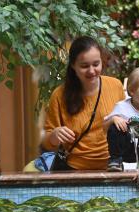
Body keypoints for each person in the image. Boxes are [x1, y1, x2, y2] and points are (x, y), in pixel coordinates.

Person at [40, 36, 125, 170]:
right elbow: (47, 142)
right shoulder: (59, 95)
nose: (91, 71)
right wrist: (54, 136)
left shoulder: (115, 86)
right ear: (73, 65)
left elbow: (126, 123)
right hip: (75, 170)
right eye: (84, 66)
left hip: (112, 168)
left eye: (96, 64)